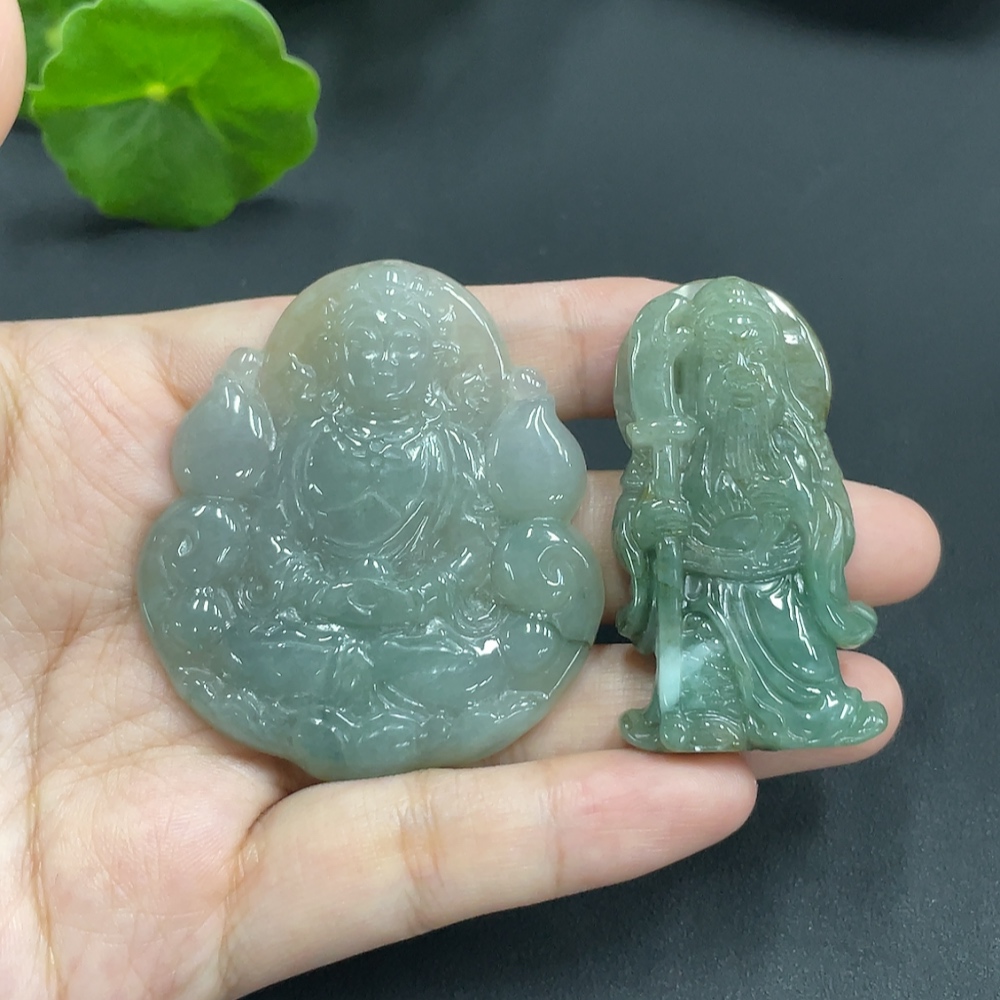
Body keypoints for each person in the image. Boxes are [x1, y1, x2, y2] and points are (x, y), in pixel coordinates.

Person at [0, 5, 940, 998]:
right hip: (313, 617)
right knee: (273, 623)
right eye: (365, 348)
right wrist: (320, 580)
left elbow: (474, 546)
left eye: (403, 350)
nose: (383, 362)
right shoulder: (308, 434)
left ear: (431, 364)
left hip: (435, 623)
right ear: (336, 358)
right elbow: (274, 528)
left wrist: (420, 587)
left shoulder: (455, 442)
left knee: (497, 631)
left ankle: (750, 690)